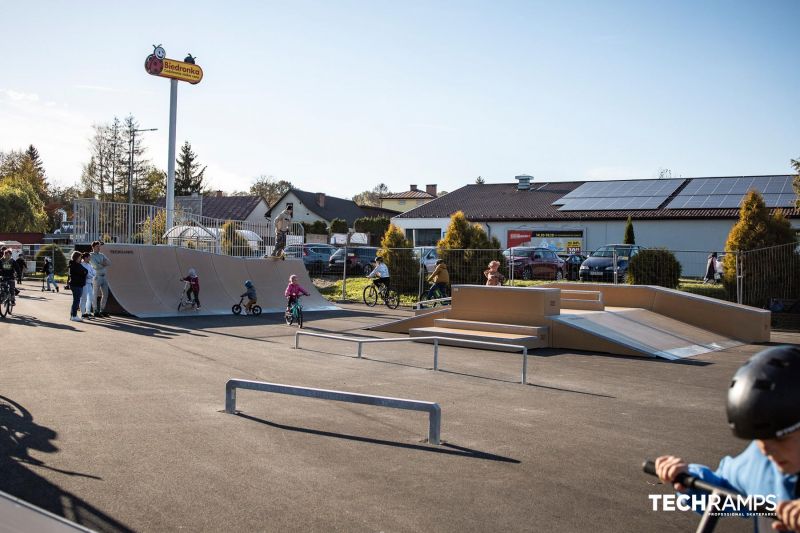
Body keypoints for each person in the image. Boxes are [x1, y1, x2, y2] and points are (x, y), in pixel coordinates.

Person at [655, 345, 800, 533]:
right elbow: (723, 491)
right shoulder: (759, 463)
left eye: (781, 439)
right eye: (759, 439)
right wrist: (688, 479)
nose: (767, 450)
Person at [89, 241, 111, 317]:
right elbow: (96, 266)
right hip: (97, 277)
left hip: (104, 276)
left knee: (106, 294)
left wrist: (100, 263)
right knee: (95, 294)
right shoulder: (91, 255)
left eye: (99, 246)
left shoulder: (102, 255)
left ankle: (102, 310)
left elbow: (109, 263)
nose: (99, 248)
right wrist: (103, 264)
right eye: (97, 246)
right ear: (93, 247)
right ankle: (95, 310)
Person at [67, 251, 87, 322]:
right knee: (76, 301)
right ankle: (74, 316)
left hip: (77, 284)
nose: (80, 258)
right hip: (76, 285)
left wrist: (84, 272)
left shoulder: (77, 264)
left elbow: (85, 271)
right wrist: (84, 272)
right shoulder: (75, 265)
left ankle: (73, 315)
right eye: (79, 257)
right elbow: (83, 272)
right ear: (76, 257)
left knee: (76, 300)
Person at [79, 252, 95, 319]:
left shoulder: (89, 265)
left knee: (90, 298)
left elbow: (94, 272)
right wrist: (90, 275)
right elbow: (87, 274)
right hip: (84, 283)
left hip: (89, 283)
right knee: (84, 298)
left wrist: (91, 275)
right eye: (89, 257)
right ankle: (83, 313)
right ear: (85, 258)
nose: (90, 258)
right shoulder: (81, 265)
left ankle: (88, 312)